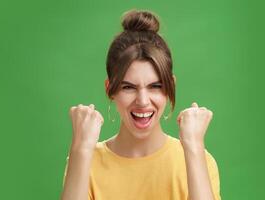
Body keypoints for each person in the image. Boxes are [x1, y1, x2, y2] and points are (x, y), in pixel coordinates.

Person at [61, 9, 220, 200]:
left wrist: (194, 146)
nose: (143, 101)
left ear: (170, 87)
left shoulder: (198, 161)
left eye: (155, 86)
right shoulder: (84, 161)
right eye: (128, 87)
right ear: (109, 89)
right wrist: (81, 149)